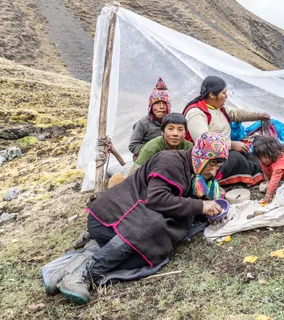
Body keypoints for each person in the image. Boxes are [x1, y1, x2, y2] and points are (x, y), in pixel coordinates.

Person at [47, 133, 228, 305]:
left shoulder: (194, 174)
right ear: (200, 157)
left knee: (151, 255)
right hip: (108, 220)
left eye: (218, 166)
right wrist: (201, 206)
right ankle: (86, 274)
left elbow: (184, 203)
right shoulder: (170, 161)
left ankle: (81, 261)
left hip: (120, 229)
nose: (213, 172)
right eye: (211, 164)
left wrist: (205, 212)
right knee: (153, 225)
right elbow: (157, 199)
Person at [183, 75, 270, 188]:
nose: (226, 96)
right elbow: (203, 143)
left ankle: (260, 173)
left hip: (224, 151)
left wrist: (258, 116)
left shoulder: (217, 106)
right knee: (237, 159)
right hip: (206, 160)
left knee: (254, 153)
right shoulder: (196, 113)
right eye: (223, 93)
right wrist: (231, 144)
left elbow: (235, 113)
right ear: (212, 95)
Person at [128, 113, 193, 175]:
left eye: (180, 129)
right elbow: (134, 174)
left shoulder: (189, 147)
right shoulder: (151, 148)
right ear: (162, 131)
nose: (175, 133)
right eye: (170, 129)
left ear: (185, 133)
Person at [128, 77, 171, 157]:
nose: (161, 107)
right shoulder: (143, 124)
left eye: (164, 103)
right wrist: (152, 150)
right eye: (157, 103)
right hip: (146, 159)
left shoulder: (172, 122)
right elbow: (133, 146)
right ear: (151, 107)